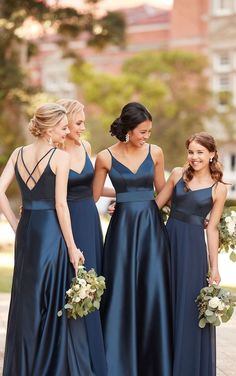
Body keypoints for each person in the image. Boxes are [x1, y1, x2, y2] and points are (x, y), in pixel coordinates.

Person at [0, 103, 104, 376]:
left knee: (27, 300)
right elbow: (61, 205)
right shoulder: (60, 158)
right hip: (51, 231)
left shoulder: (17, 153)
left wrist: (16, 225)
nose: (67, 131)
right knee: (52, 298)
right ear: (48, 130)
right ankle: (50, 367)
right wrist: (73, 247)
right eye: (63, 127)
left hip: (27, 231)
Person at [93, 102, 173, 376]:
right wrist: (122, 197)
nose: (146, 136)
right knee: (120, 290)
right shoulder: (104, 157)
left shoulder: (156, 152)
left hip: (151, 229)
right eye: (142, 131)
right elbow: (92, 194)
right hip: (122, 231)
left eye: (149, 131)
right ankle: (117, 363)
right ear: (128, 129)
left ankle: (154, 362)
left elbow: (162, 192)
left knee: (152, 289)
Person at [156, 132, 227, 376]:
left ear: (211, 154)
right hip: (167, 243)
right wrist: (127, 209)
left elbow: (213, 229)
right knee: (165, 302)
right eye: (191, 152)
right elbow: (156, 205)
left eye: (200, 152)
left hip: (193, 251)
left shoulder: (219, 189)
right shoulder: (177, 174)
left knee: (188, 307)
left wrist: (214, 267)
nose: (194, 157)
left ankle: (187, 367)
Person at [57, 98, 114, 376]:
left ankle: (93, 355)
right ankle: (71, 358)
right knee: (70, 284)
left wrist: (130, 196)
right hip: (66, 222)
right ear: (64, 123)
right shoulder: (54, 150)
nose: (83, 127)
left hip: (90, 220)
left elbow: (96, 188)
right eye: (79, 122)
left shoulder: (86, 147)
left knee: (93, 284)